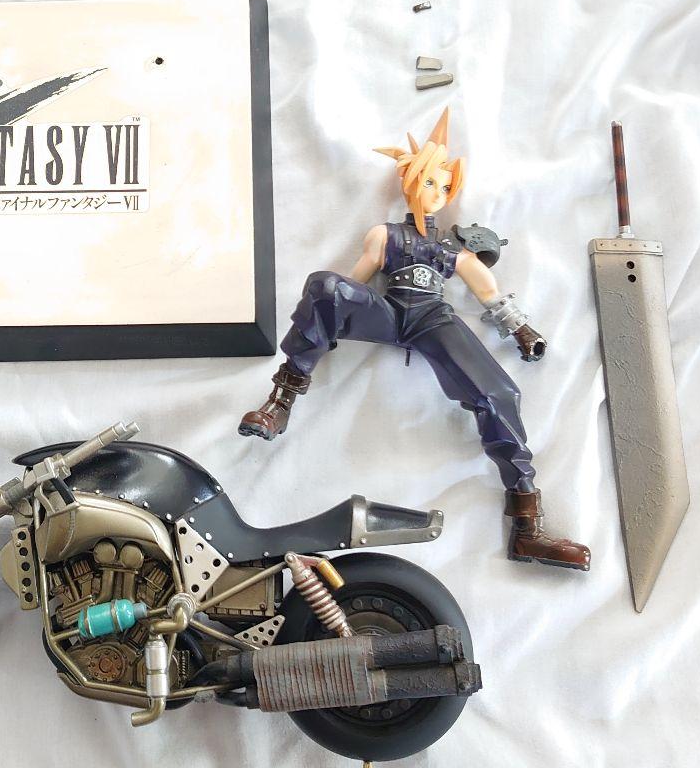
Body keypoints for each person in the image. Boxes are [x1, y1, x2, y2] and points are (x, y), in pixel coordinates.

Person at [239, 108, 590, 571]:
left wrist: (521, 329)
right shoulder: (384, 236)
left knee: (499, 393)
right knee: (325, 286)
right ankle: (279, 403)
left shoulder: (453, 248)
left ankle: (527, 527)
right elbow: (353, 283)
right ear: (409, 182)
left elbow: (486, 289)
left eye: (444, 186)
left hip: (432, 319)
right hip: (389, 313)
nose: (437, 192)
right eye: (429, 182)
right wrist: (332, 307)